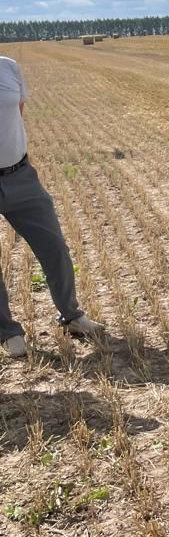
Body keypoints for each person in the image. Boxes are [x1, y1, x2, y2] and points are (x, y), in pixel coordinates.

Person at [0, 56, 105, 358]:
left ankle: (71, 316)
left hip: (20, 175)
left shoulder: (9, 67)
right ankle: (8, 332)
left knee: (54, 246)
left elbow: (16, 114)